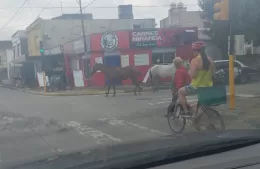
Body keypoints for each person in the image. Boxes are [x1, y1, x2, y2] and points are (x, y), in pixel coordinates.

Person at [178, 41, 215, 115]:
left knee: (180, 92)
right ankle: (198, 118)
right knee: (197, 105)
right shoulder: (210, 60)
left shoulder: (195, 61)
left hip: (196, 86)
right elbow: (213, 73)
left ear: (195, 51)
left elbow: (193, 75)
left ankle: (186, 111)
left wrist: (189, 72)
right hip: (208, 86)